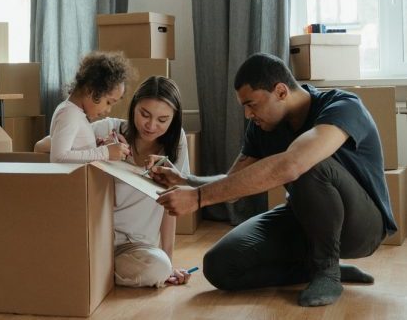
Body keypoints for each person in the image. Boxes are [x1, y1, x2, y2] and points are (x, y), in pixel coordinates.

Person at [150, 53, 397, 306]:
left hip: (362, 228)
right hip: (304, 220)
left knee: (307, 163)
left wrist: (198, 198)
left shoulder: (343, 106)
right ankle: (313, 268)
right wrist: (186, 181)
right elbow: (233, 183)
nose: (247, 114)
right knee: (219, 266)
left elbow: (294, 164)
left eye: (252, 104)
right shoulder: (262, 127)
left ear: (280, 91)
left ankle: (328, 271)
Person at [37, 76, 193, 287]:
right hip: (95, 238)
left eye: (162, 120)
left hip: (136, 247)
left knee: (159, 268)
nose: (151, 125)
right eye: (144, 114)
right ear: (133, 106)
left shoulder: (177, 145)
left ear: (174, 119)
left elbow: (171, 206)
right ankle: (91, 270)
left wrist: (169, 262)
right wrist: (99, 149)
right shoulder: (108, 129)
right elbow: (42, 146)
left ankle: (90, 272)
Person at [48, 51, 132, 163]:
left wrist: (95, 147)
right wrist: (105, 152)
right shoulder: (69, 114)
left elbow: (75, 152)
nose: (108, 110)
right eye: (108, 102)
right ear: (90, 89)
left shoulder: (76, 113)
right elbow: (58, 157)